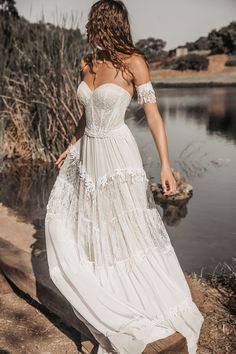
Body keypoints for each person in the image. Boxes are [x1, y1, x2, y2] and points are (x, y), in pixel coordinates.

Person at [45, 1, 204, 353]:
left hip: (117, 155)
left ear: (108, 24)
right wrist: (71, 144)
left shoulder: (134, 62)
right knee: (73, 221)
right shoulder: (87, 62)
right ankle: (100, 285)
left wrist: (165, 165)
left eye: (96, 24)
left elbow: (154, 118)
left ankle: (133, 295)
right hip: (87, 154)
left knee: (125, 227)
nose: (92, 30)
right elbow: (86, 115)